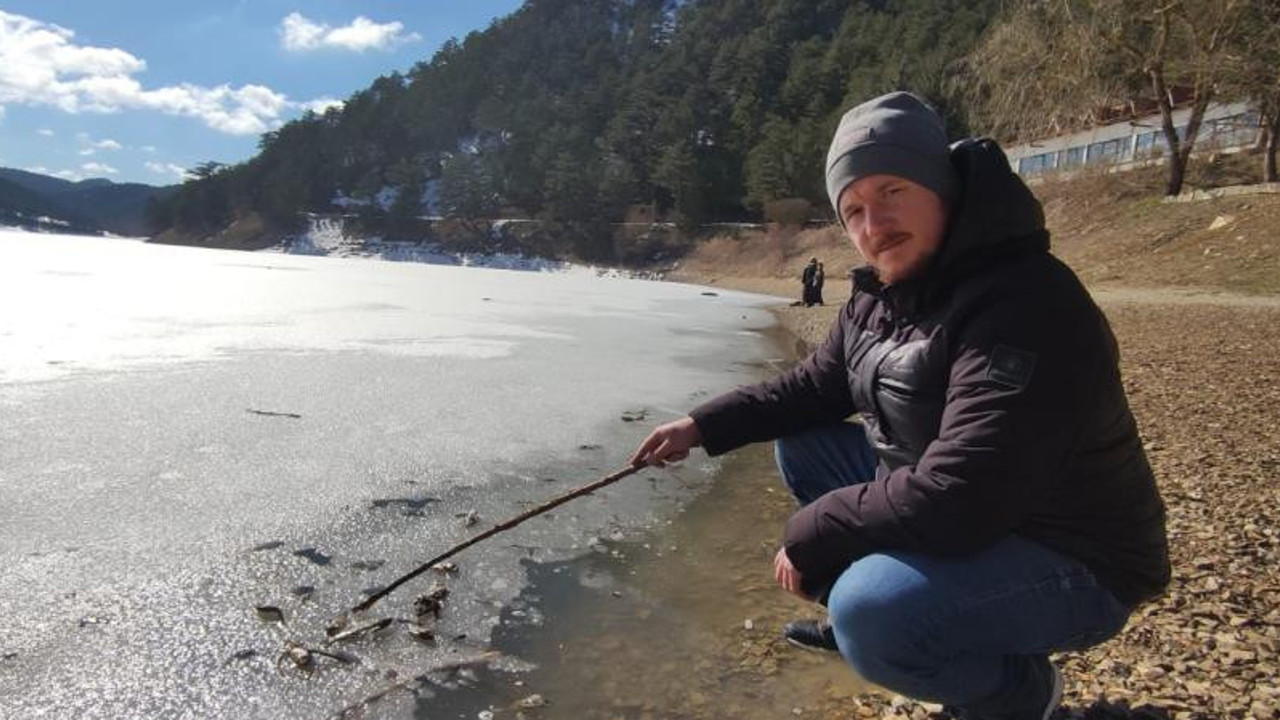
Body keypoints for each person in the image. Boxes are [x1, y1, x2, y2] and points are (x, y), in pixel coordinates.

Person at [632, 92, 1169, 720]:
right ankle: (900, 622)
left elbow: (964, 491)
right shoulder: (883, 296)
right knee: (803, 445)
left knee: (871, 611)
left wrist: (815, 534)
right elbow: (810, 389)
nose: (872, 225)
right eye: (853, 210)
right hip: (979, 513)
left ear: (942, 186)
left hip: (1076, 556)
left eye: (891, 192)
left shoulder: (1027, 302)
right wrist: (701, 425)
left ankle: (1017, 692)